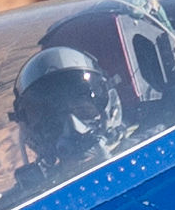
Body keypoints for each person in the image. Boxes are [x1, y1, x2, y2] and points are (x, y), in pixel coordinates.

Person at [11, 43, 126, 185]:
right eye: (51, 121)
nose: (74, 128)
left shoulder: (150, 147)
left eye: (83, 110)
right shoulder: (37, 197)